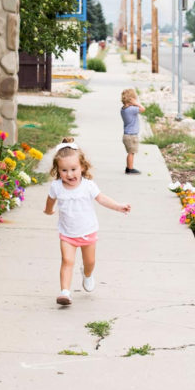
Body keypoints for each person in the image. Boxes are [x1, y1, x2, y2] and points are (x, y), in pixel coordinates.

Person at [44, 139, 130, 306]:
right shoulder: (56, 187)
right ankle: (65, 292)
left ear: (82, 167)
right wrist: (48, 210)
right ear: (58, 170)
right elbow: (50, 200)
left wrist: (118, 206)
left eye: (74, 169)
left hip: (88, 231)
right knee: (67, 261)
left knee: (89, 262)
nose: (69, 174)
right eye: (64, 170)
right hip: (67, 234)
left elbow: (102, 199)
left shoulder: (88, 186)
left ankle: (87, 274)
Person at [120, 87, 145, 174]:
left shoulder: (123, 109)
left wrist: (133, 103)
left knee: (130, 152)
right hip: (132, 136)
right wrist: (136, 103)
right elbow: (143, 109)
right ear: (132, 99)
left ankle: (128, 167)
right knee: (131, 153)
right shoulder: (132, 109)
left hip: (127, 135)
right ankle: (130, 168)